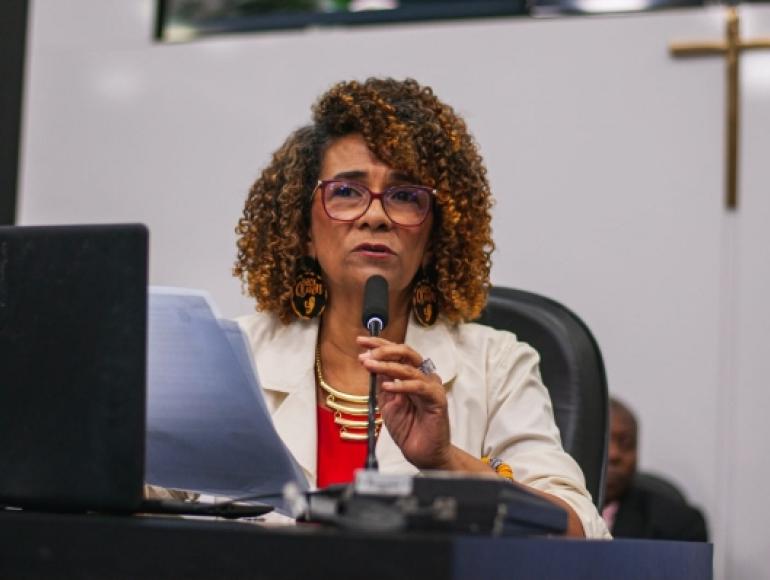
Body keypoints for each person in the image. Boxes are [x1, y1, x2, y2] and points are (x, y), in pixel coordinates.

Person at [233, 77, 609, 539]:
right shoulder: (237, 356)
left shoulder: (496, 367)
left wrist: (447, 460)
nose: (375, 216)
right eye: (346, 192)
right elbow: (156, 500)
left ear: (433, 239)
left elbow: (581, 531)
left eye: (405, 197)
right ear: (304, 231)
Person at [603, 397, 708, 541]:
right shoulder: (569, 513)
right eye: (603, 441)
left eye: (626, 443)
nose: (614, 454)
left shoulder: (679, 523)